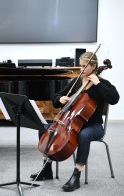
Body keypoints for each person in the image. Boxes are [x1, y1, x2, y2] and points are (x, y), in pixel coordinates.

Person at [30, 52, 120, 192]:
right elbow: (57, 96)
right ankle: (47, 169)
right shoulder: (77, 81)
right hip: (70, 124)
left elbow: (114, 99)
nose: (81, 70)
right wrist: (60, 99)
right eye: (80, 66)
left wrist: (98, 83)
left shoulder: (101, 83)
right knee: (44, 128)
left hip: (93, 126)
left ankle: (76, 175)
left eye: (84, 67)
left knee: (84, 135)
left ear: (94, 66)